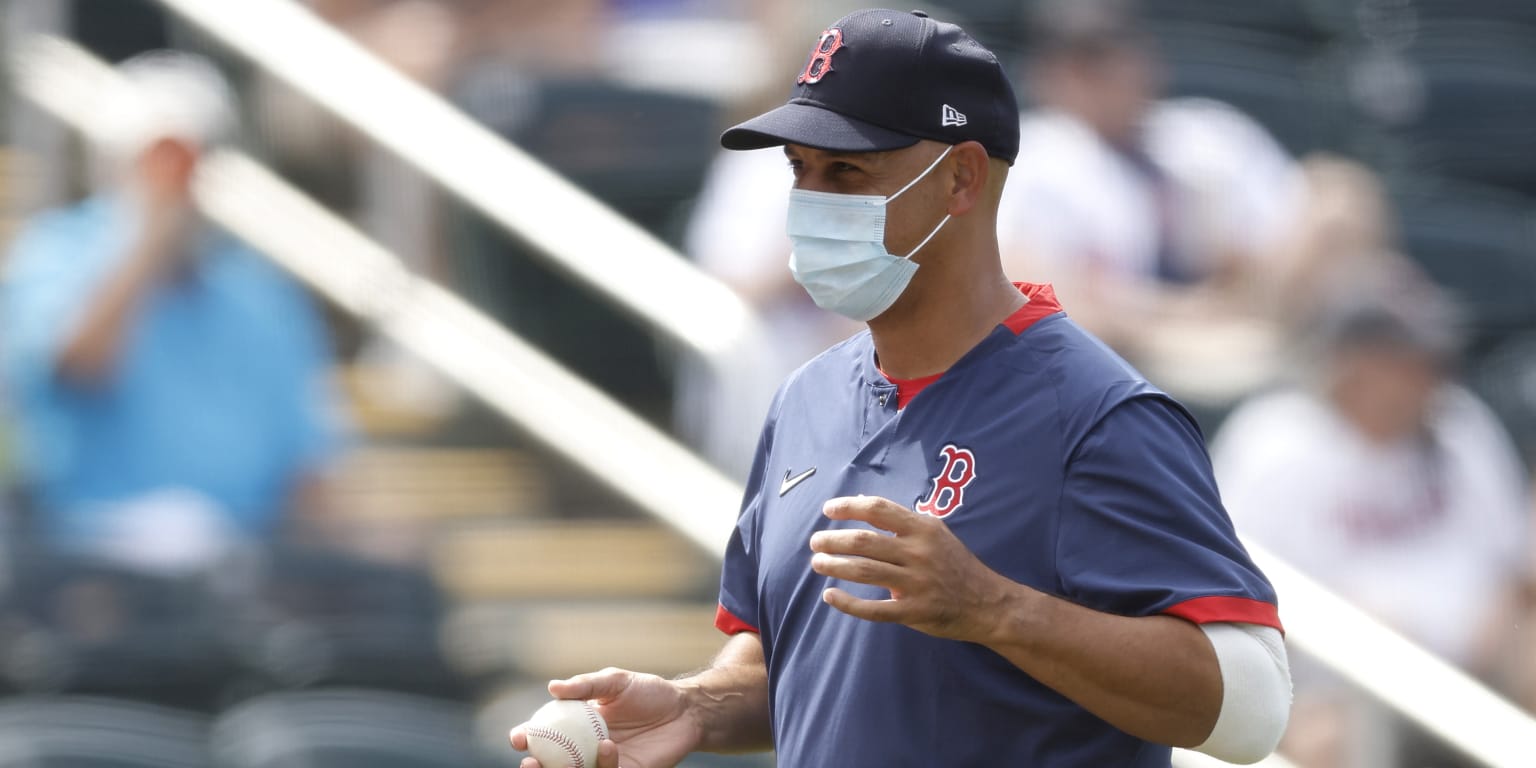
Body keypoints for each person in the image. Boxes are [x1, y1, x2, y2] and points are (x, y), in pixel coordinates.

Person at [511, 9, 1290, 766]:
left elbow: (1251, 708)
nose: (810, 201)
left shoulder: (1096, 412)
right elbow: (810, 662)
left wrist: (996, 609)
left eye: (846, 169)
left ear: (960, 176)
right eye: (799, 169)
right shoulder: (805, 399)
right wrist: (696, 708)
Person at [0, 51, 343, 573]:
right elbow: (77, 364)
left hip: (246, 562)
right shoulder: (54, 253)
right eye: (158, 160)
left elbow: (309, 464)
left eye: (190, 160)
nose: (177, 180)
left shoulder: (262, 292)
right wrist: (148, 243)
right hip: (93, 566)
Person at [1212, 269, 1529, 768]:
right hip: (1342, 688)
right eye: (1407, 361)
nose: (1431, 375)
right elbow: (1230, 594)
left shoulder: (1459, 422)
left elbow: (1518, 567)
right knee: (1326, 743)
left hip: (1480, 669)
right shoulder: (1274, 442)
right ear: (1351, 363)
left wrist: (1497, 631)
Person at [997, 0, 1306, 400]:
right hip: (1115, 353)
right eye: (1088, 61)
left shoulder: (1204, 131)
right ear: (1049, 74)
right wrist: (1178, 313)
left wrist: (1240, 289)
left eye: (1119, 53)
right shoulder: (1032, 152)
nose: (1114, 75)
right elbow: (1026, 284)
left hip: (1250, 323)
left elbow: (1299, 230)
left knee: (1339, 193)